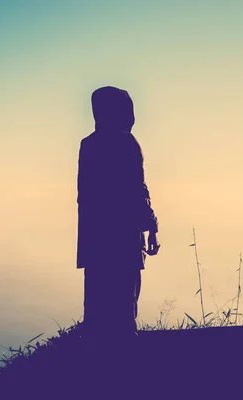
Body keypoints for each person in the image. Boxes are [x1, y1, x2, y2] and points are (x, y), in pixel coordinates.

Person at [76, 86, 160, 340]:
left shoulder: (88, 145)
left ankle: (97, 360)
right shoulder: (126, 143)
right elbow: (135, 189)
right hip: (123, 239)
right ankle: (123, 363)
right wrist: (152, 225)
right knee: (124, 306)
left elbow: (86, 195)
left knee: (97, 306)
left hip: (94, 240)